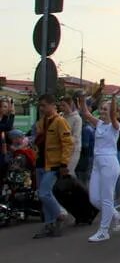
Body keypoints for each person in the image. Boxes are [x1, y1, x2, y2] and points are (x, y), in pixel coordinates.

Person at [77, 92, 120, 242]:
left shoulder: (115, 126)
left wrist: (113, 99)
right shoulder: (98, 124)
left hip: (109, 163)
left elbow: (113, 115)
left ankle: (104, 231)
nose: (103, 111)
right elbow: (85, 113)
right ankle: (116, 215)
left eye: (106, 109)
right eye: (102, 109)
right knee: (94, 199)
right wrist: (82, 98)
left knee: (106, 198)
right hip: (98, 163)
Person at [32, 94, 74, 239]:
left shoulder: (59, 122)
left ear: (52, 105)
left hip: (54, 164)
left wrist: (64, 163)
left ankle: (60, 214)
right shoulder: (42, 122)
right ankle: (50, 225)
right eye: (40, 105)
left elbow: (68, 143)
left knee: (44, 193)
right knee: (44, 195)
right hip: (40, 163)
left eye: (44, 105)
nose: (41, 108)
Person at [59, 95, 82, 177]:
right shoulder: (60, 116)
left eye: (64, 105)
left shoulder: (77, 118)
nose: (61, 107)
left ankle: (75, 188)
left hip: (73, 149)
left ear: (70, 105)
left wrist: (66, 140)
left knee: (69, 171)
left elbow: (76, 136)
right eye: (60, 105)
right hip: (62, 148)